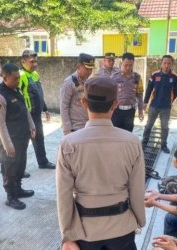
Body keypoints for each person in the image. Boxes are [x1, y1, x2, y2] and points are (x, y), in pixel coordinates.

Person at [56, 76, 145, 250]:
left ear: (83, 103)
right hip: (122, 228)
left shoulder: (68, 144)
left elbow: (63, 195)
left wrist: (67, 235)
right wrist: (138, 220)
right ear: (115, 104)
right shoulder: (132, 142)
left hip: (85, 231)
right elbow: (137, 189)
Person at [0, 63, 35, 210]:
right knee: (9, 169)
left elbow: (25, 110)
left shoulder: (16, 90)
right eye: (15, 78)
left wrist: (31, 125)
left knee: (20, 165)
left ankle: (18, 189)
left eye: (18, 78)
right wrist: (7, 145)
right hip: (9, 141)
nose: (18, 81)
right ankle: (11, 197)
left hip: (21, 138)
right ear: (5, 78)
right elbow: (0, 124)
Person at [19, 50, 55, 169]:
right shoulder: (21, 76)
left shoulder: (35, 75)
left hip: (36, 114)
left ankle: (43, 162)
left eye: (36, 61)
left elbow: (40, 93)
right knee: (22, 142)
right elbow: (18, 97)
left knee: (39, 138)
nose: (34, 64)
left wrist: (45, 109)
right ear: (23, 62)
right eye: (31, 62)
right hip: (26, 116)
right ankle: (20, 169)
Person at [142, 55, 177, 154]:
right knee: (149, 125)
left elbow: (176, 92)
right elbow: (149, 89)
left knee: (165, 127)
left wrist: (170, 101)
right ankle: (144, 143)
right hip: (154, 105)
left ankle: (163, 145)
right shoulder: (155, 75)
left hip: (166, 107)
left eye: (169, 63)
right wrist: (145, 102)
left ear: (171, 65)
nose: (166, 65)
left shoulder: (175, 77)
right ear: (161, 63)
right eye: (164, 63)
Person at [60, 53, 94, 135]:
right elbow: (64, 106)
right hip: (75, 129)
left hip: (87, 127)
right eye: (87, 68)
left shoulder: (87, 82)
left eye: (91, 69)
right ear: (79, 66)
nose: (90, 72)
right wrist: (67, 130)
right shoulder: (69, 83)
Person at [111, 52, 144, 132]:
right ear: (121, 63)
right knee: (115, 134)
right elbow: (108, 95)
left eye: (130, 65)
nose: (128, 67)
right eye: (126, 65)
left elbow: (140, 96)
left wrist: (140, 112)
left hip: (130, 112)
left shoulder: (137, 78)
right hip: (116, 111)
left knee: (128, 133)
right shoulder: (113, 77)